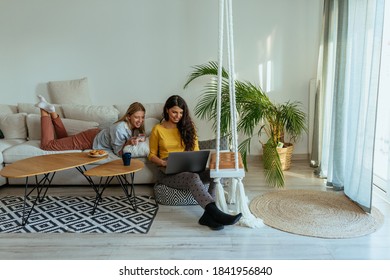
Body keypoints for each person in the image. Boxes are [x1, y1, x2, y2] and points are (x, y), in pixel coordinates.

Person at [148, 95, 242, 230]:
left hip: (189, 168)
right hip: (168, 173)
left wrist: (199, 164)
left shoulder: (188, 127)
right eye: (174, 112)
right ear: (167, 110)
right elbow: (151, 155)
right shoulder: (158, 129)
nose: (178, 116)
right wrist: (163, 163)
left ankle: (207, 216)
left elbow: (196, 151)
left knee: (213, 173)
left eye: (181, 113)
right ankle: (216, 213)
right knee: (193, 177)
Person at [35, 95, 146, 155]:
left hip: (93, 136)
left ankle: (52, 112)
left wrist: (140, 138)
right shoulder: (120, 128)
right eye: (137, 117)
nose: (140, 120)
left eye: (142, 117)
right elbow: (119, 153)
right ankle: (44, 110)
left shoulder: (132, 127)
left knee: (63, 140)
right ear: (128, 116)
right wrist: (128, 142)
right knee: (47, 145)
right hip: (88, 140)